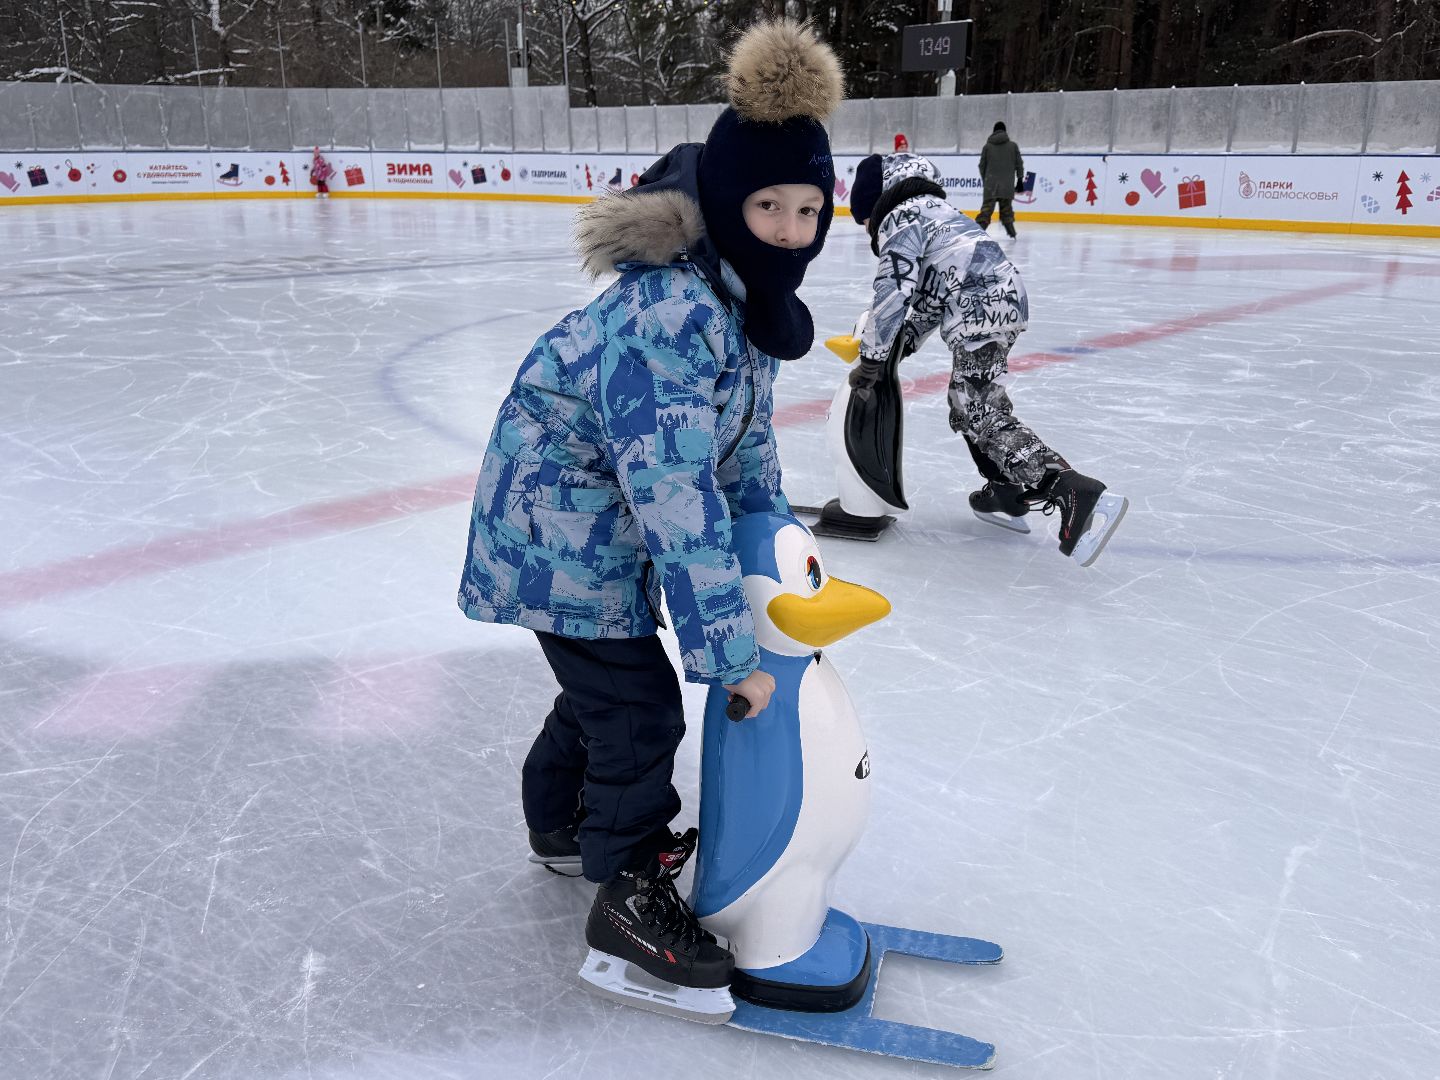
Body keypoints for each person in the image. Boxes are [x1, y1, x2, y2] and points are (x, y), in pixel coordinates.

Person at [456, 18, 843, 1004]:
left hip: (584, 524)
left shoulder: (740, 301)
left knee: (604, 692)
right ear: (726, 201)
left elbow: (744, 452)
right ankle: (624, 891)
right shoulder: (674, 314)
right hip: (558, 530)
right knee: (636, 708)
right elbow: (675, 495)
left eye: (809, 209)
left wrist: (777, 551)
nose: (790, 229)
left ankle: (559, 822)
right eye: (769, 206)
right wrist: (732, 653)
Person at [845, 152, 1127, 566]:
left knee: (978, 410)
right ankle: (1005, 491)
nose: (869, 228)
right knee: (966, 404)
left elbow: (893, 293)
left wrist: (872, 357)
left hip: (979, 308)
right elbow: (933, 293)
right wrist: (905, 341)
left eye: (866, 219)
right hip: (1000, 301)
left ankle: (1068, 487)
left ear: (877, 201)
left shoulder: (900, 218)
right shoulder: (934, 211)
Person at [976, 121, 1023, 237]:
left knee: (986, 211)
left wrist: (986, 179)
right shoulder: (1013, 146)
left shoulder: (987, 147)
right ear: (1005, 131)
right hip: (1007, 185)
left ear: (993, 131)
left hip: (991, 185)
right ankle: (1011, 232)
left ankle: (978, 232)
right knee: (1006, 210)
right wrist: (1020, 179)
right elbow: (1019, 164)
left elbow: (982, 166)